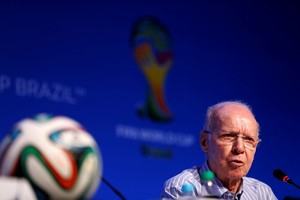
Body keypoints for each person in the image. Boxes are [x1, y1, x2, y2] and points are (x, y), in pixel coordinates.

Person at [161, 101, 277, 199]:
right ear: (205, 142)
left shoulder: (263, 193)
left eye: (249, 140)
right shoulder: (182, 189)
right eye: (229, 136)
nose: (240, 148)